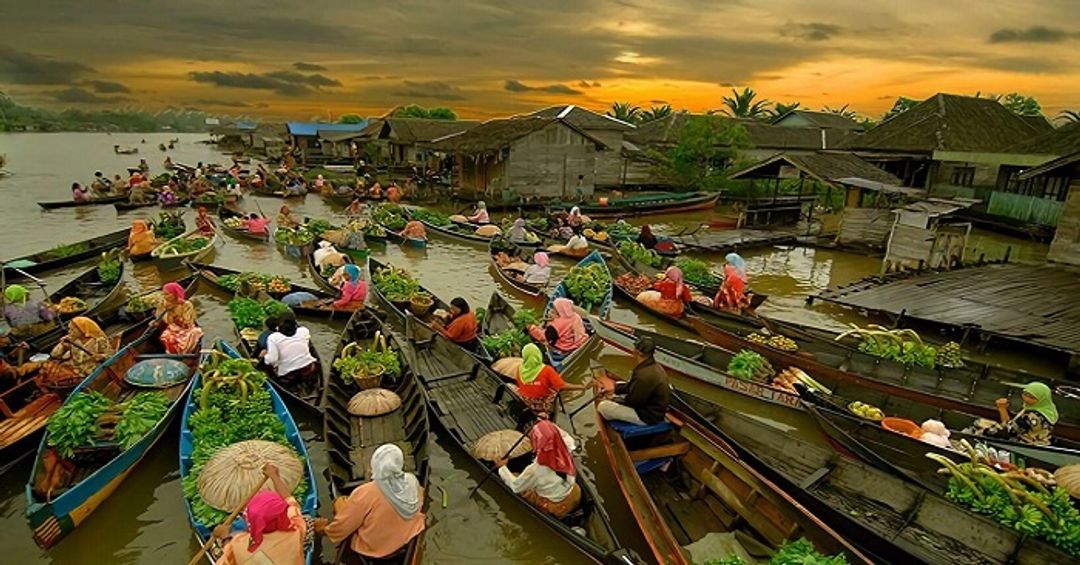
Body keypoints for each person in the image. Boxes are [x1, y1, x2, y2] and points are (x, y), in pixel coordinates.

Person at [318, 444, 425, 560]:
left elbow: (342, 527)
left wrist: (325, 529)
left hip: (374, 550)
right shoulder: (411, 480)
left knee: (339, 502)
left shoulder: (366, 492)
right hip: (408, 537)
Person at [213, 464, 309, 565]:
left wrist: (224, 537)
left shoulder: (238, 545)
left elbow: (228, 552)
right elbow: (289, 500)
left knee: (234, 531)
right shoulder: (296, 530)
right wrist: (275, 477)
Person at [496, 419, 581, 518]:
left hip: (553, 500)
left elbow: (516, 487)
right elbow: (556, 432)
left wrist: (502, 467)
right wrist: (544, 422)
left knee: (516, 479)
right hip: (572, 491)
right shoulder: (567, 446)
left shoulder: (537, 470)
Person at [597, 337, 670, 425]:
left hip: (648, 416)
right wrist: (615, 389)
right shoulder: (654, 366)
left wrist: (614, 399)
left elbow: (633, 402)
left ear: (638, 352)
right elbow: (631, 386)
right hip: (651, 407)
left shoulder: (643, 375)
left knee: (603, 407)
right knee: (619, 384)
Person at [966, 382, 1058, 446]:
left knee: (981, 429)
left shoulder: (1031, 417)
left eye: (1031, 397)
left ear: (1041, 398)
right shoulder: (1048, 409)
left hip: (1027, 443)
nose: (1026, 399)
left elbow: (1008, 432)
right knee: (980, 422)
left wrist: (1002, 410)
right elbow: (1011, 425)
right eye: (1025, 394)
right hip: (1026, 435)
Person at [514, 344, 586, 416]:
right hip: (541, 405)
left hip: (526, 402)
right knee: (555, 390)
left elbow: (520, 385)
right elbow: (562, 386)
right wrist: (581, 386)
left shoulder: (519, 368)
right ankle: (548, 413)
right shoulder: (547, 370)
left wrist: (533, 384)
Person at [45, 317, 115, 381]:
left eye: (72, 329)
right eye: (69, 329)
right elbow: (54, 355)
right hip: (73, 370)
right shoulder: (72, 340)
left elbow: (112, 356)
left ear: (82, 330)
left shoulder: (98, 340)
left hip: (91, 373)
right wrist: (63, 346)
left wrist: (101, 356)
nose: (69, 332)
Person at [263, 311, 317, 383]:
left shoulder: (273, 338)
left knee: (268, 361)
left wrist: (265, 357)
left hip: (289, 375)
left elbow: (272, 360)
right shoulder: (304, 331)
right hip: (308, 369)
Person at [156, 282, 203, 354]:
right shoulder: (163, 304)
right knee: (166, 336)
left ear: (174, 294)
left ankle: (184, 354)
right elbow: (162, 319)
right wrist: (156, 322)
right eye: (164, 294)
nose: (165, 297)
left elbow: (187, 322)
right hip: (172, 328)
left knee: (194, 333)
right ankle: (172, 354)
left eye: (167, 294)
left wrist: (172, 312)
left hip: (186, 328)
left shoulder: (186, 305)